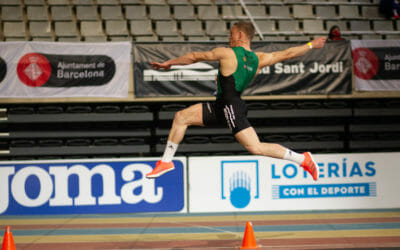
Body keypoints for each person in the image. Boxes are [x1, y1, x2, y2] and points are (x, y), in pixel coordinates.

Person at [146, 21, 326, 181]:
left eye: (231, 33)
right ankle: (166, 162)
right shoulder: (260, 59)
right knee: (181, 117)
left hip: (230, 106)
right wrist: (311, 45)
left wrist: (170, 63)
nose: (229, 37)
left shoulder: (227, 53)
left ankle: (303, 159)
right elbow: (288, 53)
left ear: (240, 35)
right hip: (223, 106)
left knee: (256, 147)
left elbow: (194, 56)